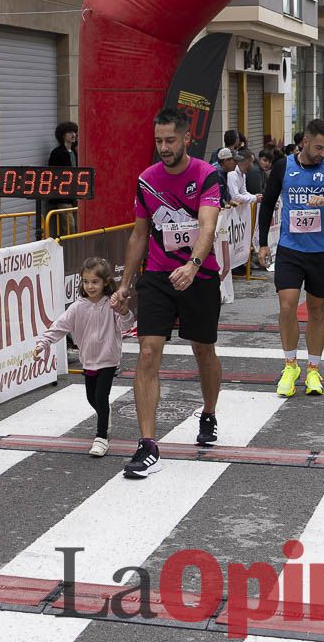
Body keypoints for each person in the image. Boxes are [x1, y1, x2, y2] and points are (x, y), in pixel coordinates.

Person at [113, 108, 223, 479]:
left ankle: (208, 412)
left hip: (199, 275)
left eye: (170, 140)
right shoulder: (147, 180)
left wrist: (192, 265)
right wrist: (126, 284)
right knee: (147, 352)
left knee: (203, 350)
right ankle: (147, 444)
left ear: (186, 138)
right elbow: (139, 234)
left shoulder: (206, 175)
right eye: (159, 141)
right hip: (159, 276)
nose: (164, 147)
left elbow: (207, 226)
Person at [256, 119, 324, 398]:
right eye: (318, 147)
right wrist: (263, 243)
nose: (322, 153)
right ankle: (290, 366)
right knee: (287, 306)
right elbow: (267, 204)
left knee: (317, 311)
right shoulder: (283, 167)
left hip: (321, 252)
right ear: (304, 141)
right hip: (290, 249)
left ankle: (313, 369)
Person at [35, 257, 134, 457]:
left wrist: (124, 312)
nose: (90, 286)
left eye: (95, 282)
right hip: (88, 359)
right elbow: (60, 326)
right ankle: (104, 415)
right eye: (86, 281)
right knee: (91, 397)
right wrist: (43, 342)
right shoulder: (77, 307)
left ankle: (101, 438)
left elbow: (126, 326)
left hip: (108, 358)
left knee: (101, 396)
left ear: (105, 282)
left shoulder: (112, 304)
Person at [47, 121, 79, 236]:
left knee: (77, 225)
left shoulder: (74, 152)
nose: (73, 135)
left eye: (74, 132)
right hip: (63, 197)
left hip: (74, 194)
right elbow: (53, 174)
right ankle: (68, 246)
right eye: (70, 132)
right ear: (63, 135)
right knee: (69, 227)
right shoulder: (57, 153)